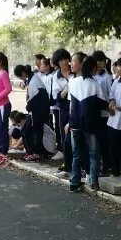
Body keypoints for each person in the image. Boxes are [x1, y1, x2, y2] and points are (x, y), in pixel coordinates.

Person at [67, 55, 108, 192]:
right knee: (94, 154)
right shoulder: (95, 84)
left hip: (75, 123)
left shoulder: (73, 82)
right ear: (93, 69)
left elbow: (71, 104)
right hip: (91, 125)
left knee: (76, 154)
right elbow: (103, 103)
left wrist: (69, 122)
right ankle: (93, 182)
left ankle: (74, 182)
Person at [13, 64, 50, 161]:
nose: (21, 79)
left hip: (38, 111)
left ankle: (32, 153)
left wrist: (28, 106)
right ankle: (36, 153)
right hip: (39, 110)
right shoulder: (32, 78)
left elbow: (34, 99)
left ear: (23, 73)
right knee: (35, 131)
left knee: (27, 131)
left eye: (20, 77)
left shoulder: (33, 81)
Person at [51, 49, 74, 177]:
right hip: (64, 109)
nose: (64, 62)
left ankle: (78, 165)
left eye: (65, 59)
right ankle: (67, 163)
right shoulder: (56, 76)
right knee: (65, 137)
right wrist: (66, 90)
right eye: (60, 60)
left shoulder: (74, 72)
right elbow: (57, 97)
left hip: (75, 108)